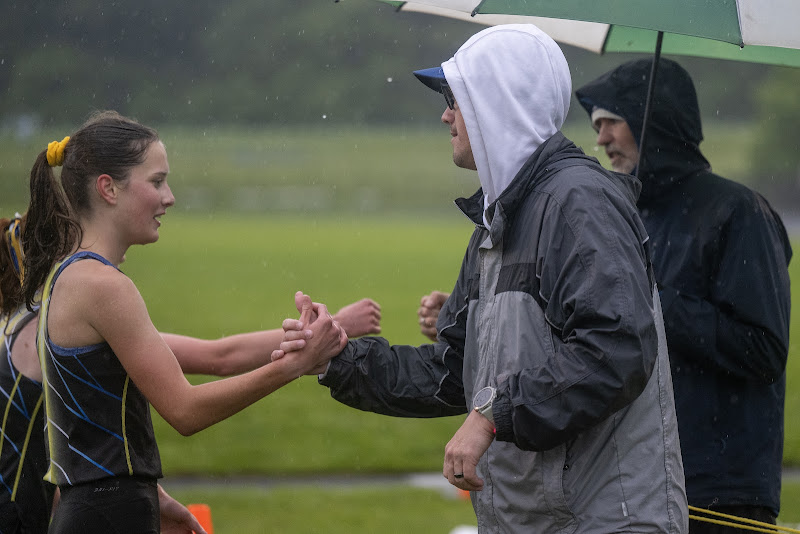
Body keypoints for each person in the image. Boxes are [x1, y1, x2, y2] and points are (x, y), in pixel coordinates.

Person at [274, 25, 688, 533]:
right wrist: (340, 357)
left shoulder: (578, 202)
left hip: (604, 522)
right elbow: (455, 375)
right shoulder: (501, 216)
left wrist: (493, 414)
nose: (445, 114)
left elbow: (616, 351)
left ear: (499, 101)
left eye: (455, 97)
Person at [17, 111, 355, 534]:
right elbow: (185, 410)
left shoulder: (69, 276)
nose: (169, 197)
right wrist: (295, 365)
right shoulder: (103, 286)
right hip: (109, 516)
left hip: (99, 510)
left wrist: (152, 497)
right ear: (108, 188)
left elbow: (85, 425)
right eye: (156, 181)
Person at [0, 211, 381, 533]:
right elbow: (214, 364)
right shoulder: (56, 323)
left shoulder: (29, 327)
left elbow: (67, 443)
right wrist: (302, 356)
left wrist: (151, 495)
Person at [574, 58, 793, 532]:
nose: (601, 139)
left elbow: (763, 350)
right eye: (597, 127)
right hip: (640, 480)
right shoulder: (630, 219)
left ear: (652, 118)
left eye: (611, 121)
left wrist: (651, 299)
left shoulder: (738, 212)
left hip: (721, 494)